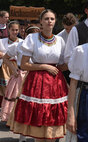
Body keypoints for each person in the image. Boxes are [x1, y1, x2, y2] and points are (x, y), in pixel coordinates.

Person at [11, 9, 68, 141]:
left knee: (52, 122)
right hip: (36, 81)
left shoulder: (60, 40)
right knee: (38, 124)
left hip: (54, 82)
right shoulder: (32, 38)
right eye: (46, 19)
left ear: (55, 21)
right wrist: (44, 66)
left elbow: (63, 64)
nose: (49, 21)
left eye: (52, 19)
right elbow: (24, 64)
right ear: (41, 21)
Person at [3, 25, 40, 142]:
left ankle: (35, 134)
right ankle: (22, 135)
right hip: (22, 77)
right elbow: (5, 58)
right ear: (26, 36)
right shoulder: (18, 45)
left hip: (35, 77)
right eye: (31, 35)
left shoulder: (40, 47)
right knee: (21, 106)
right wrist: (14, 70)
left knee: (35, 106)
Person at [0, 21, 22, 108]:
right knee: (6, 88)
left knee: (17, 88)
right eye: (13, 30)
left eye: (16, 30)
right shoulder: (2, 41)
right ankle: (5, 107)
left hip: (18, 67)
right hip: (5, 67)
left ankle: (15, 108)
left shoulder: (22, 42)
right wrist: (0, 53)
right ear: (8, 30)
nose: (15, 32)